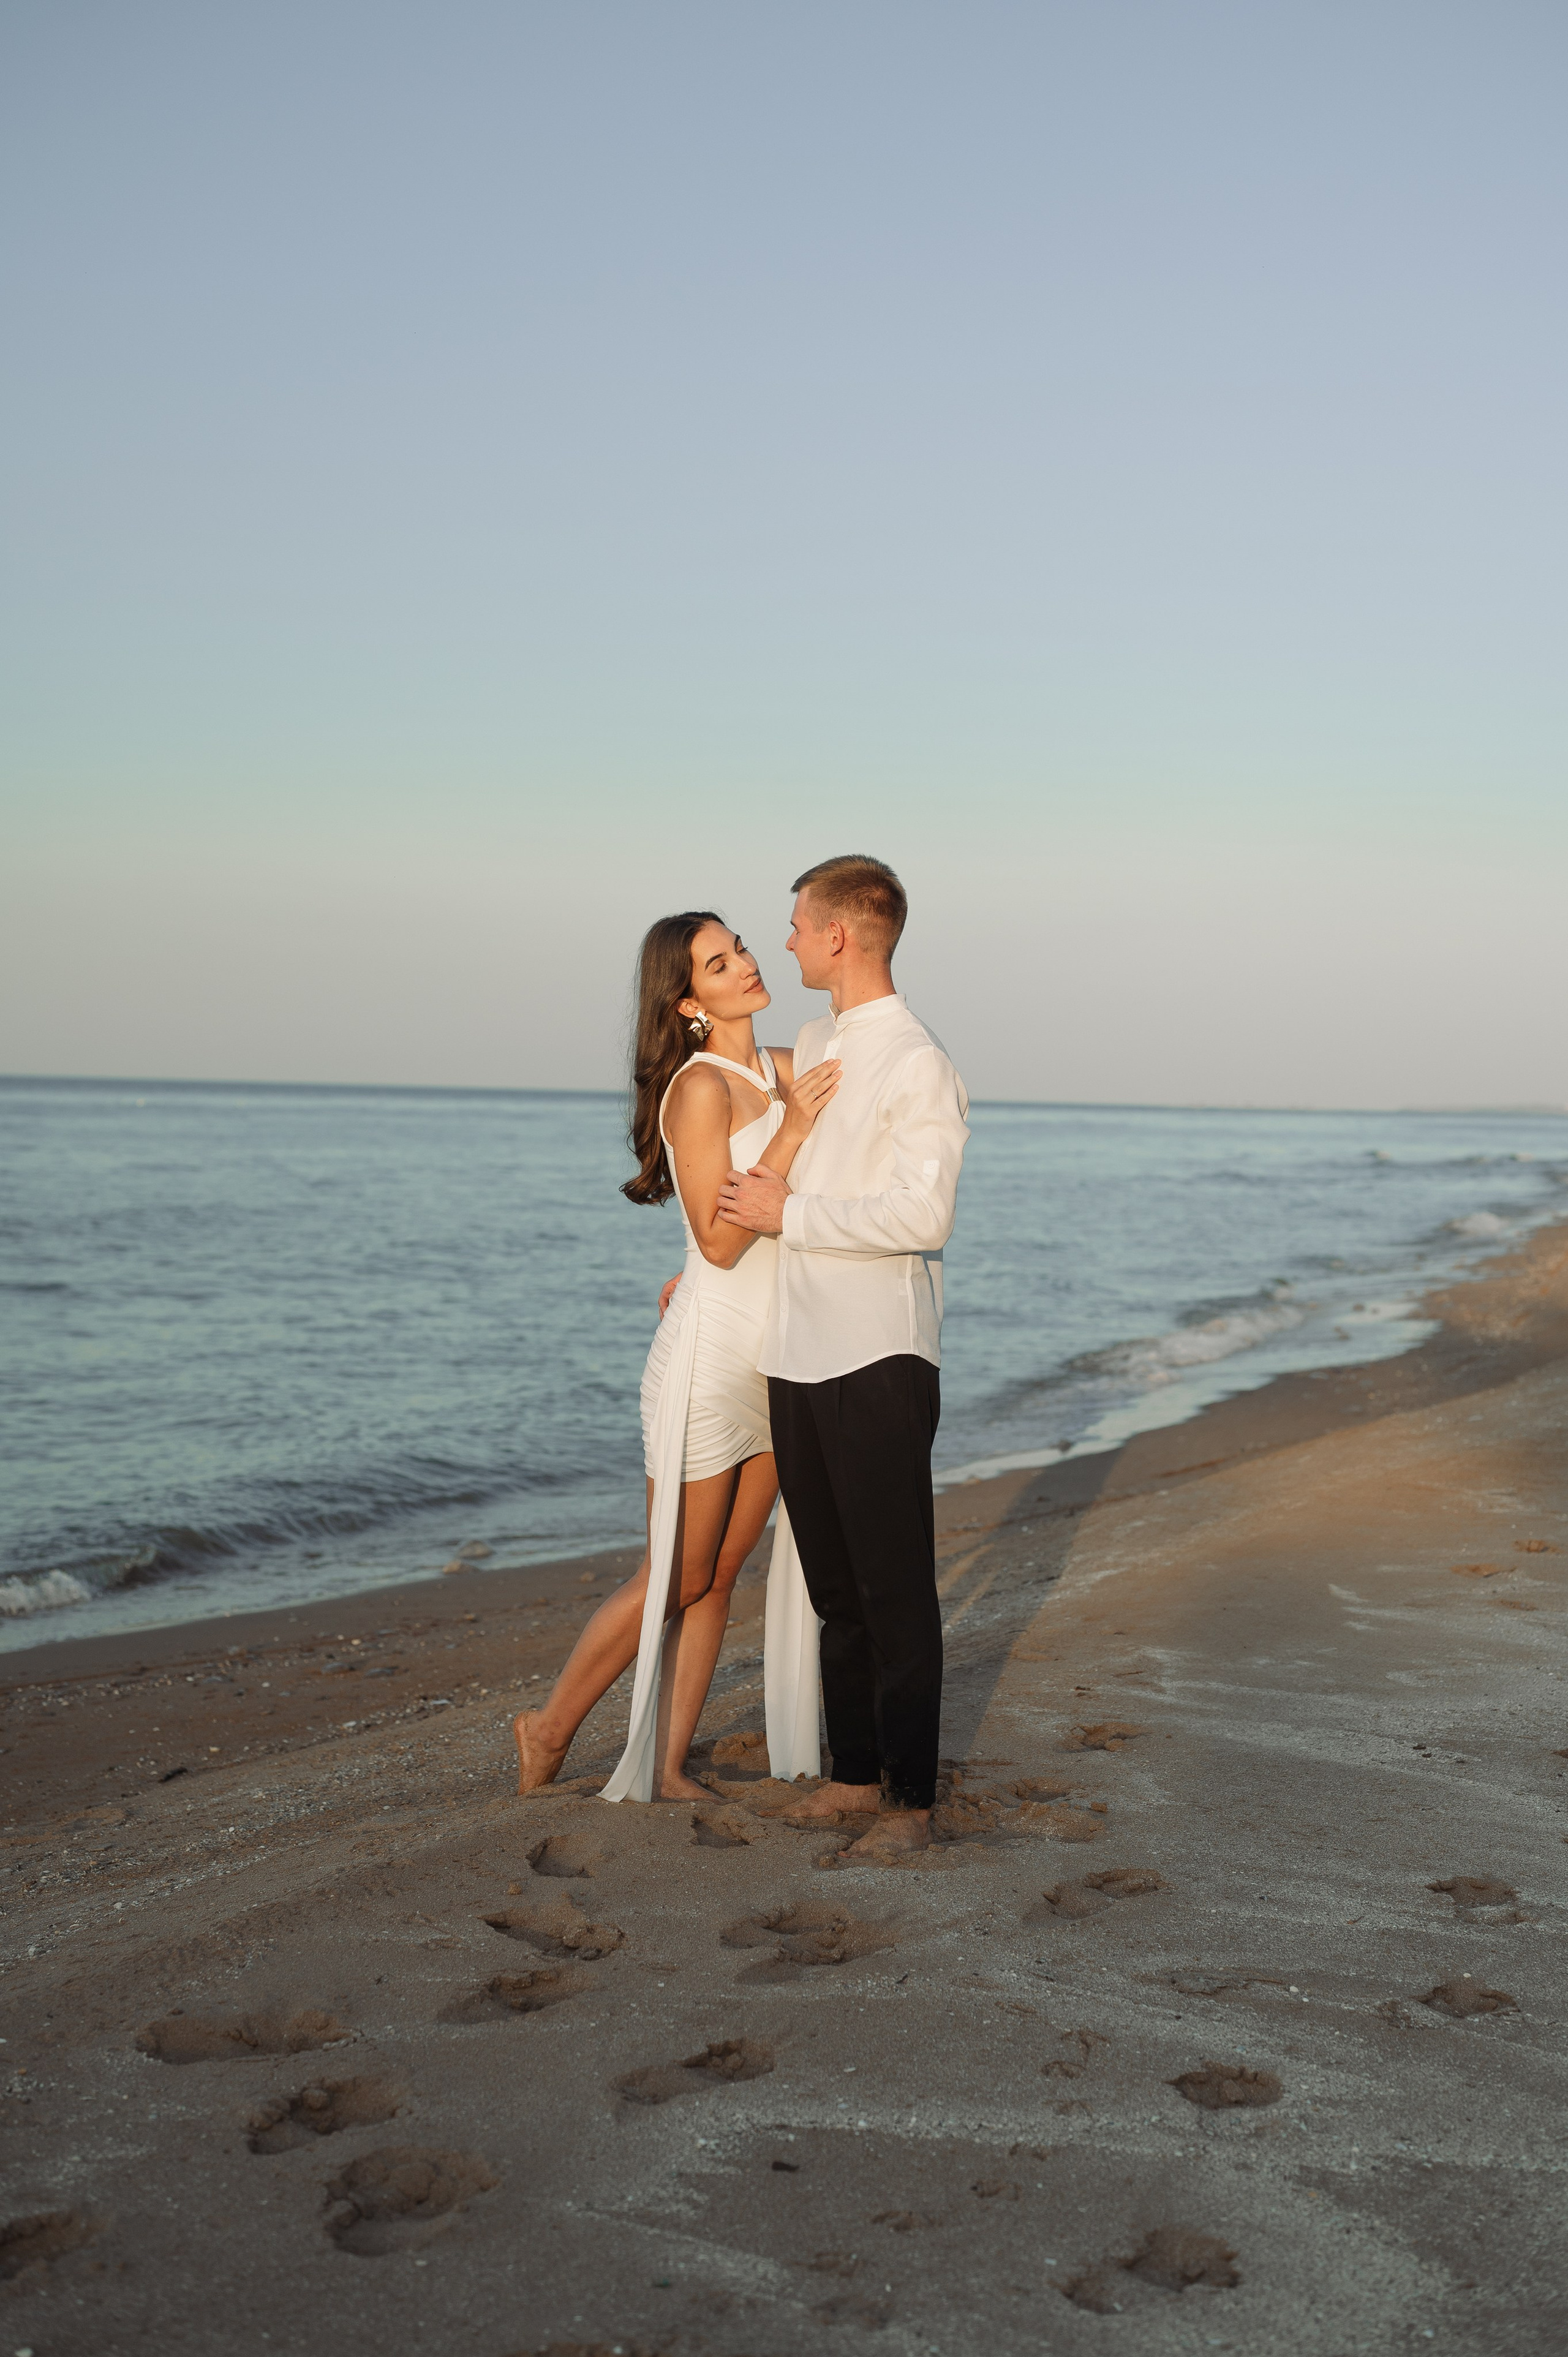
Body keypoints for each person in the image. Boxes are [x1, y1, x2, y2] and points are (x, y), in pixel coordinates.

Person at [512, 910, 837, 1801]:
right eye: (718, 963)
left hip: (783, 1358)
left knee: (723, 1572)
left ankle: (667, 1760)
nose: (746, 965)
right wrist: (793, 1133)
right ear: (687, 1001)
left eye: (742, 949)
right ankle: (546, 1731)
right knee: (678, 1571)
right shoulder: (700, 1087)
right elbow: (722, 1243)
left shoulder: (775, 1072)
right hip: (711, 1356)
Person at [718, 855, 969, 1857]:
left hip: (880, 1352)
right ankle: (853, 1778)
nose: (782, 942)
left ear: (841, 936)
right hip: (799, 1346)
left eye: (794, 926)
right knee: (832, 1586)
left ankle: (910, 1804)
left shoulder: (918, 1060)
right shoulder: (820, 1038)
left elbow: (926, 1212)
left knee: (894, 1588)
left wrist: (794, 1214)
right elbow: (740, 1090)